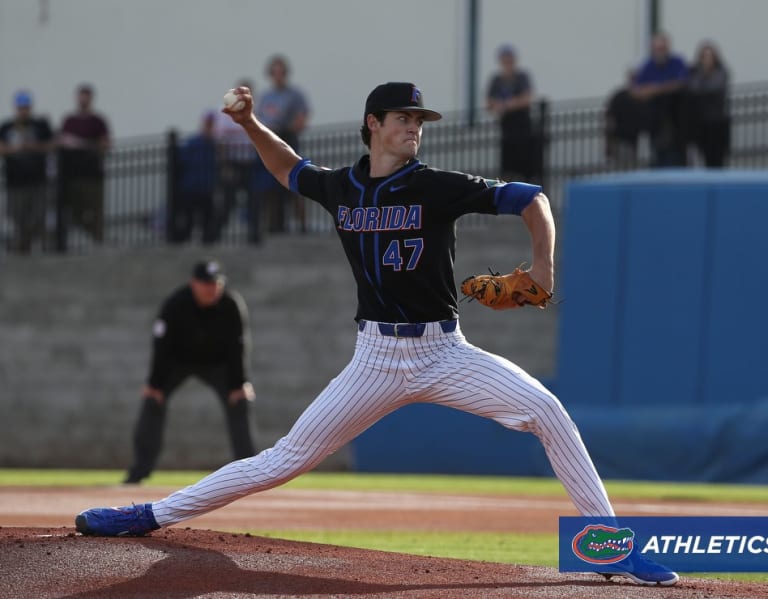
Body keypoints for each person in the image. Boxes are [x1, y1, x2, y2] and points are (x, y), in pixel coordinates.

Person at [75, 81, 678, 586]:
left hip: (444, 351)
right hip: (376, 358)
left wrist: (543, 263)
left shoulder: (436, 184)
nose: (414, 126)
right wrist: (252, 121)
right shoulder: (343, 188)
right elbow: (288, 167)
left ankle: (610, 547)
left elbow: (531, 198)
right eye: (403, 117)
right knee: (284, 459)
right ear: (373, 124)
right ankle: (148, 514)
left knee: (547, 410)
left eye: (419, 118)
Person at [122, 259, 256, 485]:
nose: (211, 289)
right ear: (194, 283)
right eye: (206, 283)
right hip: (178, 362)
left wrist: (238, 384)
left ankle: (250, 473)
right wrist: (155, 384)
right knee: (152, 401)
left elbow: (239, 345)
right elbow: (161, 345)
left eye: (216, 283)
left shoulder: (231, 305)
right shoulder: (176, 304)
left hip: (218, 365)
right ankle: (139, 471)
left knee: (240, 400)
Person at [255, 54, 310, 235]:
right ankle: (274, 226)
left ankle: (302, 227)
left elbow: (301, 119)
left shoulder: (295, 94)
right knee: (271, 187)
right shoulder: (266, 96)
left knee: (294, 184)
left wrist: (288, 129)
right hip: (270, 142)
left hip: (287, 141)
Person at [56, 83, 111, 249]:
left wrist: (80, 144)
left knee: (95, 210)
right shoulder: (69, 121)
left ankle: (99, 240)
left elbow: (105, 145)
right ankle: (95, 236)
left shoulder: (98, 121)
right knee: (74, 213)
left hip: (93, 174)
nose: (83, 100)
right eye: (81, 96)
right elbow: (60, 141)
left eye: (86, 96)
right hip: (72, 175)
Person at [0, 90, 53, 253]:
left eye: (26, 107)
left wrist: (33, 146)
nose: (24, 110)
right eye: (21, 107)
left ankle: (35, 244)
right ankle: (23, 248)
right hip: (15, 182)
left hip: (37, 181)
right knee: (18, 218)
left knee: (38, 216)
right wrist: (16, 148)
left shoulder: (40, 125)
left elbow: (52, 145)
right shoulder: (7, 126)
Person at [213, 78, 261, 243]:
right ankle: (214, 236)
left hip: (251, 163)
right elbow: (220, 140)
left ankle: (254, 237)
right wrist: (224, 164)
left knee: (254, 200)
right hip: (232, 163)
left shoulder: (257, 112)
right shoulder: (225, 113)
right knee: (227, 201)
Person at [631, 32, 688, 167]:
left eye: (662, 48)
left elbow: (681, 83)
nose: (659, 52)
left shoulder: (677, 62)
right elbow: (637, 91)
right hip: (656, 124)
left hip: (676, 123)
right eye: (657, 49)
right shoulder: (648, 66)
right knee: (659, 159)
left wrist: (654, 89)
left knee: (677, 159)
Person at [485, 44, 540, 182]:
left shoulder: (521, 77)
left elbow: (527, 98)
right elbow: (489, 102)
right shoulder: (497, 80)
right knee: (507, 169)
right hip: (507, 130)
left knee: (527, 168)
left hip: (523, 128)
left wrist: (507, 105)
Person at [170, 111, 220, 244]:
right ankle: (182, 241)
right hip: (191, 188)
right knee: (189, 219)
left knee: (207, 218)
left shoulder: (214, 146)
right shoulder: (193, 144)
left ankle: (206, 241)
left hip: (205, 188)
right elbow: (181, 163)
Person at [684, 41, 730, 168]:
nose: (707, 60)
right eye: (704, 56)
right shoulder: (695, 73)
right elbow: (692, 88)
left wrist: (702, 78)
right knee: (700, 157)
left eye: (710, 56)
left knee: (716, 159)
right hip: (700, 123)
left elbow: (713, 87)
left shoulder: (721, 72)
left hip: (716, 123)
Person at [604, 69, 647, 169]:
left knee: (626, 169)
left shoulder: (619, 96)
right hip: (623, 139)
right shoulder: (623, 97)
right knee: (628, 168)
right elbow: (609, 121)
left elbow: (608, 119)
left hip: (629, 140)